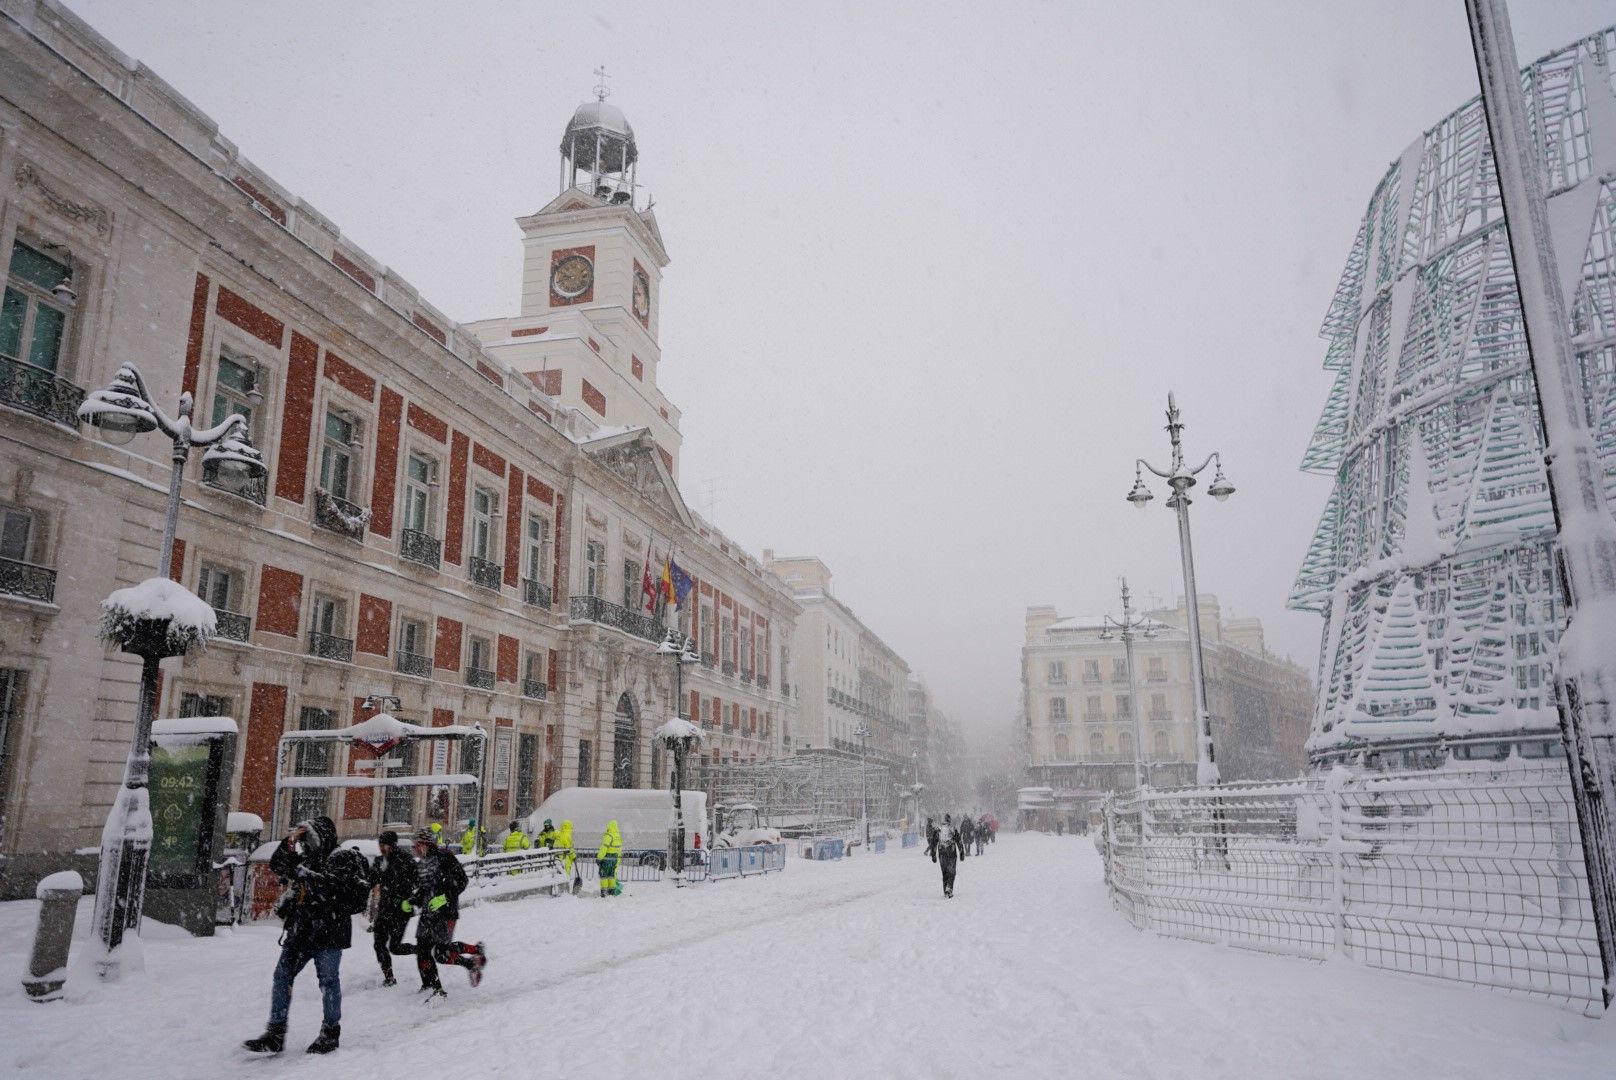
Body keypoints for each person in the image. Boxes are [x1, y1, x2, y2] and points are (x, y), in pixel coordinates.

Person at [243, 816, 370, 1056]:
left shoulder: (340, 857)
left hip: (328, 932)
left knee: (328, 982)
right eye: (305, 837)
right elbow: (279, 864)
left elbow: (331, 887)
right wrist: (290, 841)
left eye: (310, 836)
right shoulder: (308, 858)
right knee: (282, 977)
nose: (307, 842)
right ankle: (275, 1033)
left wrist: (302, 873)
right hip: (301, 931)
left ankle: (330, 1032)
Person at [407, 827, 487, 1002]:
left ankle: (474, 954)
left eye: (417, 845)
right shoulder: (422, 865)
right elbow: (424, 889)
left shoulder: (445, 858)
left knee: (442, 953)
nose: (415, 849)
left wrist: (444, 898)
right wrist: (413, 900)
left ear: (427, 844)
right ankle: (431, 986)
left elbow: (462, 881)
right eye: (413, 846)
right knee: (423, 950)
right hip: (428, 913)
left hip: (446, 912)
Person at [369, 830, 417, 988]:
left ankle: (420, 950)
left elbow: (416, 881)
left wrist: (405, 896)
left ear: (392, 845)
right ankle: (389, 976)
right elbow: (371, 879)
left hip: (401, 910)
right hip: (384, 909)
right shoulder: (379, 861)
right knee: (379, 943)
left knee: (395, 947)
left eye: (384, 845)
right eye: (380, 845)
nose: (381, 848)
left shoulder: (405, 859)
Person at [934, 813, 963, 898]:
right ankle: (949, 889)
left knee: (945, 873)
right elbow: (959, 841)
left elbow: (933, 843)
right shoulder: (953, 829)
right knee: (952, 872)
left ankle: (945, 890)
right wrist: (961, 852)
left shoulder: (938, 830)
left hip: (942, 853)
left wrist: (933, 854)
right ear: (949, 820)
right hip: (951, 853)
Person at [597, 819, 623, 897]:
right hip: (614, 859)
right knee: (611, 875)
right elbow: (619, 850)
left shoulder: (608, 836)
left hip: (606, 859)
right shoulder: (618, 836)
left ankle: (604, 892)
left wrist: (599, 858)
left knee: (604, 876)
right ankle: (612, 891)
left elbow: (603, 848)